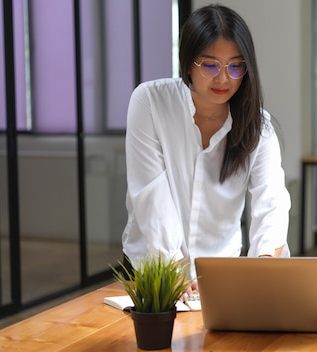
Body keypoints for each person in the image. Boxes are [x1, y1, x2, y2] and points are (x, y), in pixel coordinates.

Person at [121, 4, 291, 295]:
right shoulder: (150, 103)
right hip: (153, 273)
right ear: (187, 63)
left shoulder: (258, 127)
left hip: (221, 279)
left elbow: (271, 202)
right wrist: (175, 272)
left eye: (236, 66)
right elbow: (151, 197)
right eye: (210, 65)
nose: (224, 78)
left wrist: (264, 265)